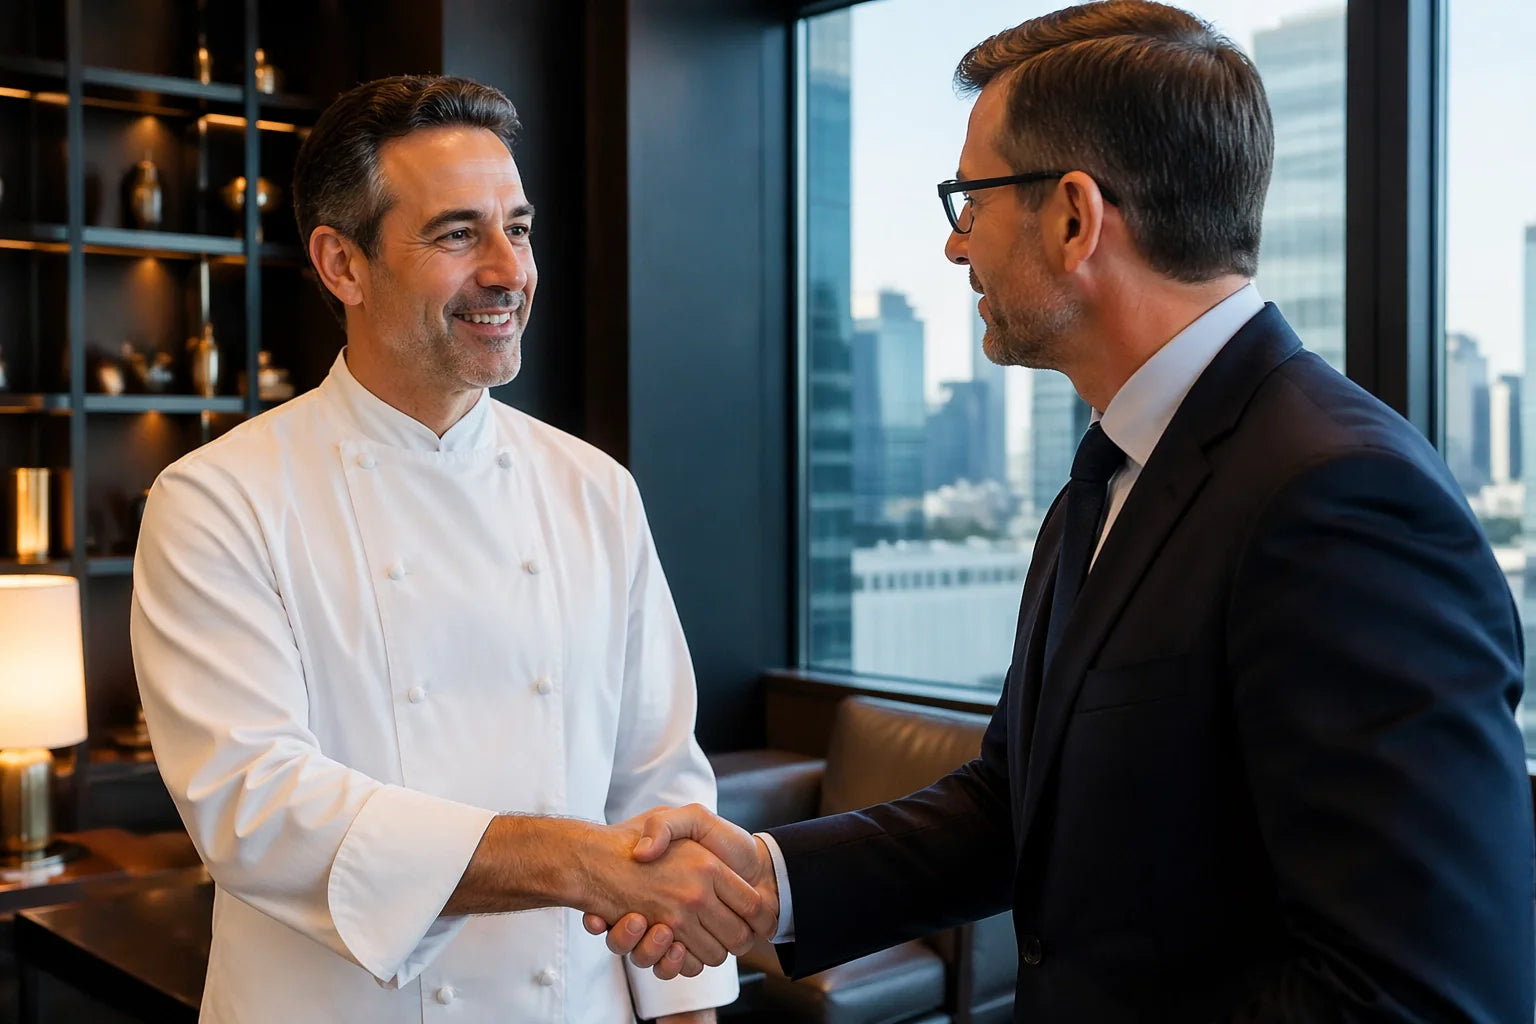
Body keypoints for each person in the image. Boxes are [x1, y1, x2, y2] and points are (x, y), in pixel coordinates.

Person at [590, 3, 1536, 1020]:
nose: (958, 248)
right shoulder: (1108, 476)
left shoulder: (1339, 496)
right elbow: (1018, 806)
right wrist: (770, 881)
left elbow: (1420, 990)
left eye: (969, 201)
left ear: (1075, 217)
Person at [130, 74, 769, 1024]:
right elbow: (255, 809)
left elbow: (657, 780)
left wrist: (689, 1013)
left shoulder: (594, 488)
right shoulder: (217, 499)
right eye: (458, 234)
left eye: (518, 227)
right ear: (342, 265)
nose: (509, 270)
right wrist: (571, 859)